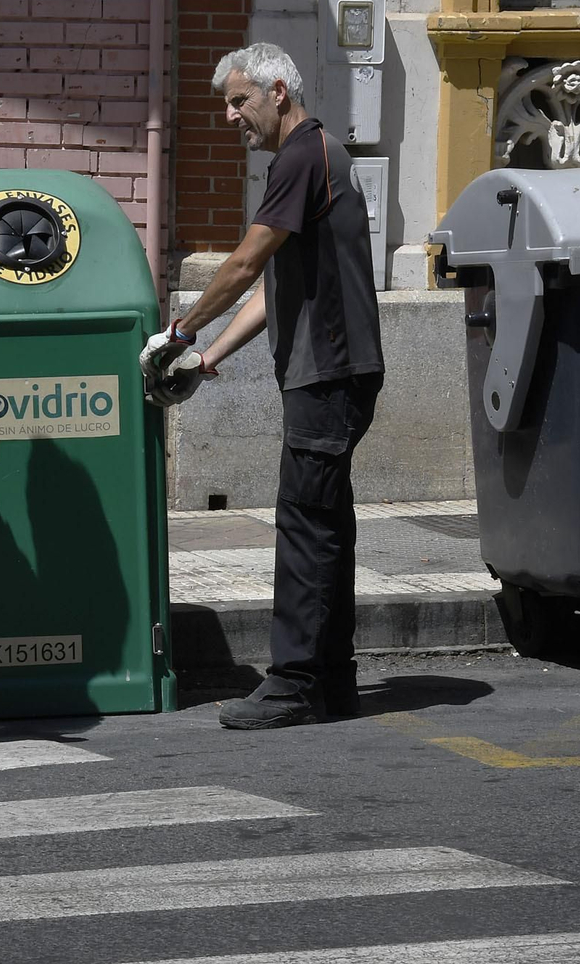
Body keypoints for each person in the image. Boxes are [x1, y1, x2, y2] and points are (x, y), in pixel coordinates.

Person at [141, 42, 384, 730]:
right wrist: (212, 353)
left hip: (328, 372)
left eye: (239, 100)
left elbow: (246, 263)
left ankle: (293, 683)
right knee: (327, 523)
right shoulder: (315, 156)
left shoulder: (302, 155)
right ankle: (332, 680)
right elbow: (276, 286)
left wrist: (181, 329)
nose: (229, 115)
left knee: (305, 525)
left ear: (279, 91)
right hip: (339, 371)